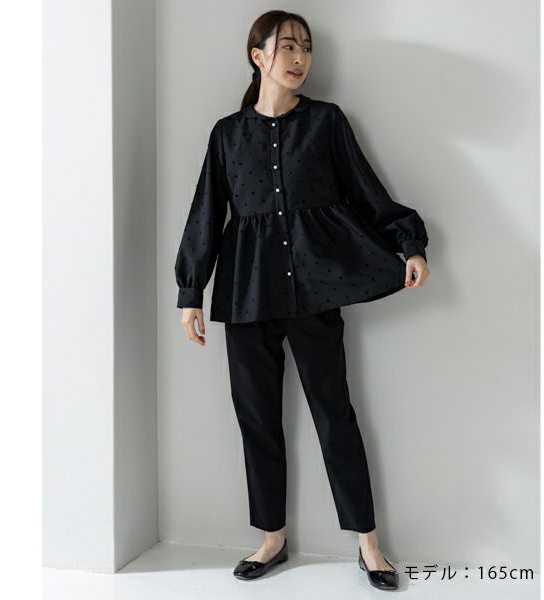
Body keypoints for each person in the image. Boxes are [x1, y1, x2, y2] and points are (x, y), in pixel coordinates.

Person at [174, 10, 430, 591]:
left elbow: (366, 191)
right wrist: (191, 291)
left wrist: (408, 243)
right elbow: (206, 213)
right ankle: (272, 538)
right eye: (288, 46)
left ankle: (369, 545)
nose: (300, 58)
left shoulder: (326, 122)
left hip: (315, 290)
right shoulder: (227, 135)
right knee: (257, 418)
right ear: (258, 55)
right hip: (246, 295)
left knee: (334, 414)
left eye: (306, 48)